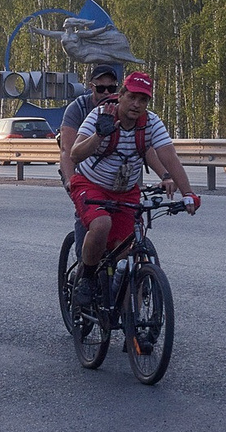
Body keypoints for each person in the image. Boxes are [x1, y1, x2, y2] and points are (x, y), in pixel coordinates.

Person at [65, 70, 198, 296]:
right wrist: (99, 134)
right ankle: (86, 278)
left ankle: (129, 322)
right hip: (91, 184)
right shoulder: (100, 115)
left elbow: (168, 155)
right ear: (121, 95)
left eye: (143, 99)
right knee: (101, 226)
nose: (136, 104)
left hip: (125, 191)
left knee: (125, 246)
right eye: (132, 97)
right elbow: (75, 155)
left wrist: (188, 193)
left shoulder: (151, 123)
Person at [55, 62, 124, 185]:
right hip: (82, 169)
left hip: (113, 172)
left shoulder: (123, 107)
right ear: (91, 87)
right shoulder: (77, 108)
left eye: (112, 88)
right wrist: (71, 181)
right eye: (101, 88)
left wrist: (165, 176)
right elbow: (67, 149)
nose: (107, 92)